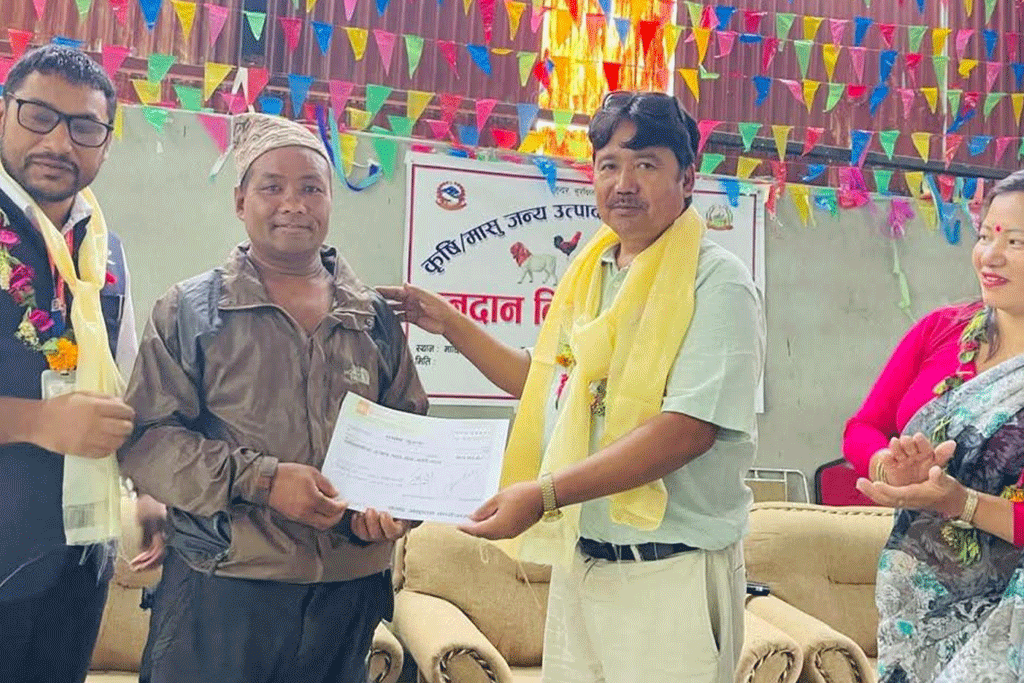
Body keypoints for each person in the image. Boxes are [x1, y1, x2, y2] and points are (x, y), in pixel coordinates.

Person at [382, 91, 765, 683]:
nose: (624, 184)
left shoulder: (717, 283)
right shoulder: (593, 273)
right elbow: (547, 386)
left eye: (646, 164)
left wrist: (544, 494)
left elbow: (687, 431)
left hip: (671, 574)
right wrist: (449, 323)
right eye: (609, 165)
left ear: (687, 179)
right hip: (583, 563)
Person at [118, 113, 428, 683]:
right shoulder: (191, 312)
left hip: (346, 594)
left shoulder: (371, 318)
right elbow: (147, 442)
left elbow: (409, 434)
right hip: (221, 588)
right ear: (240, 201)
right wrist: (262, 480)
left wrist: (392, 511)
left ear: (330, 201)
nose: (293, 204)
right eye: (272, 187)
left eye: (311, 188)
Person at [850, 170, 1024, 683]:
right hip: (918, 608)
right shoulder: (941, 331)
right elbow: (864, 427)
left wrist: (959, 502)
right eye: (986, 235)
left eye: (1015, 242)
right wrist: (890, 468)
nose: (990, 256)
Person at [0, 45, 138, 683]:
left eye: (84, 126)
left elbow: (127, 383)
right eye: (38, 116)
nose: (58, 141)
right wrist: (36, 422)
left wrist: (148, 491)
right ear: (5, 112)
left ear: (105, 143)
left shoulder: (106, 252)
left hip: (76, 562)